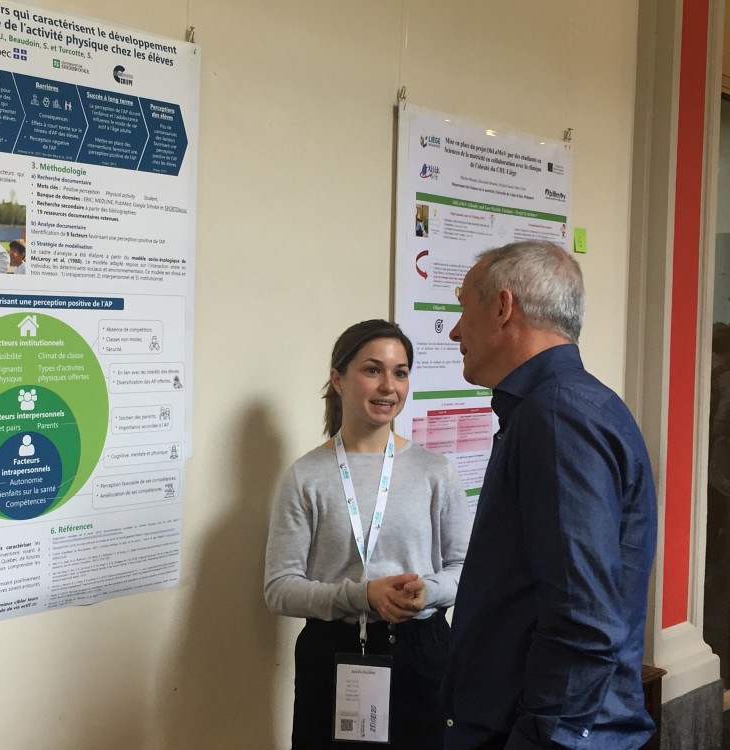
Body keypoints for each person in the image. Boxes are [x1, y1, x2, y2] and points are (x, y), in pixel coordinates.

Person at [441, 241, 657, 749]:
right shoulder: (565, 406)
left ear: (503, 307)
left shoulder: (558, 416)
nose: (455, 331)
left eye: (463, 309)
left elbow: (584, 621)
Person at [264, 319, 472, 750]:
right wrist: (362, 595)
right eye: (373, 370)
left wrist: (428, 591)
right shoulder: (305, 476)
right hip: (334, 650)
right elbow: (279, 589)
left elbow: (466, 569)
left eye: (400, 372)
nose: (388, 386)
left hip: (422, 649)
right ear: (338, 380)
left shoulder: (436, 472)